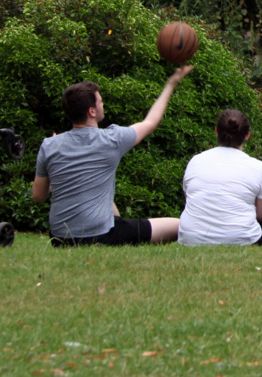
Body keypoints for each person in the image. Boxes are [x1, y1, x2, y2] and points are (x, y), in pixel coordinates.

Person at [33, 68, 193, 246]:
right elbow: (150, 122)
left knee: (107, 202)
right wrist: (171, 84)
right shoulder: (111, 139)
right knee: (179, 225)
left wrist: (56, 170)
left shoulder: (49, 145)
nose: (103, 105)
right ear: (92, 112)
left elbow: (39, 196)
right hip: (102, 236)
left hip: (60, 239)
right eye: (101, 102)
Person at [177, 109, 262, 246]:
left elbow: (190, 199)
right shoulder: (257, 168)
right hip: (241, 238)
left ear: (216, 131)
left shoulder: (195, 162)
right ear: (247, 135)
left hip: (190, 238)